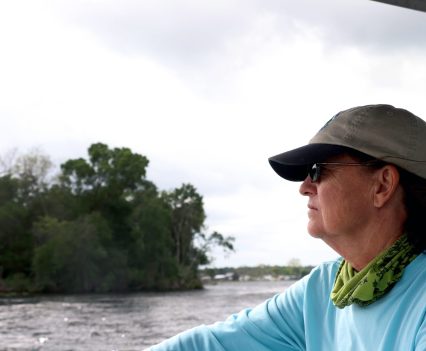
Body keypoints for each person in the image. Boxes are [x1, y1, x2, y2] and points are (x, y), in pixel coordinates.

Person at [146, 104, 426, 351]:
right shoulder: (323, 289)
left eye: (317, 170)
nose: (304, 188)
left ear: (382, 185)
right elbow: (216, 344)